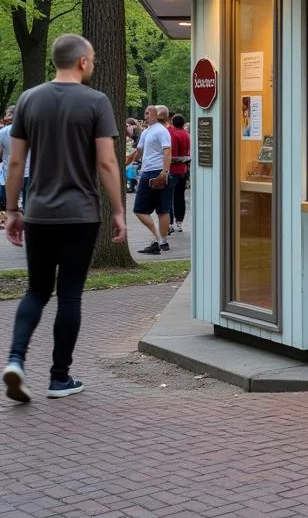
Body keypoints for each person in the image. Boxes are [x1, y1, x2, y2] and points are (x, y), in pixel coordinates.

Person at [2, 34, 126, 403]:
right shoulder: (96, 102)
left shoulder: (28, 100)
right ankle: (59, 378)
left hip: (39, 213)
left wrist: (12, 210)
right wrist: (118, 210)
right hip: (80, 214)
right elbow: (106, 161)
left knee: (36, 291)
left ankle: (15, 360)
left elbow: (15, 162)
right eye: (94, 59)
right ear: (83, 62)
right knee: (69, 295)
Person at [131, 104, 172, 254]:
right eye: (146, 113)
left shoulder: (162, 131)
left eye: (149, 113)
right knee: (143, 210)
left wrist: (164, 171)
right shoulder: (146, 132)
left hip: (155, 172)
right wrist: (129, 162)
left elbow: (167, 152)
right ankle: (159, 240)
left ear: (157, 114)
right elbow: (138, 153)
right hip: (147, 171)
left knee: (159, 210)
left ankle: (161, 241)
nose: (146, 116)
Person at [168, 114, 191, 233]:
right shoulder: (186, 134)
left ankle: (170, 223)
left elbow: (173, 155)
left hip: (174, 169)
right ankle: (179, 223)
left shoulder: (173, 134)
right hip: (184, 169)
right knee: (180, 196)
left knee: (169, 196)